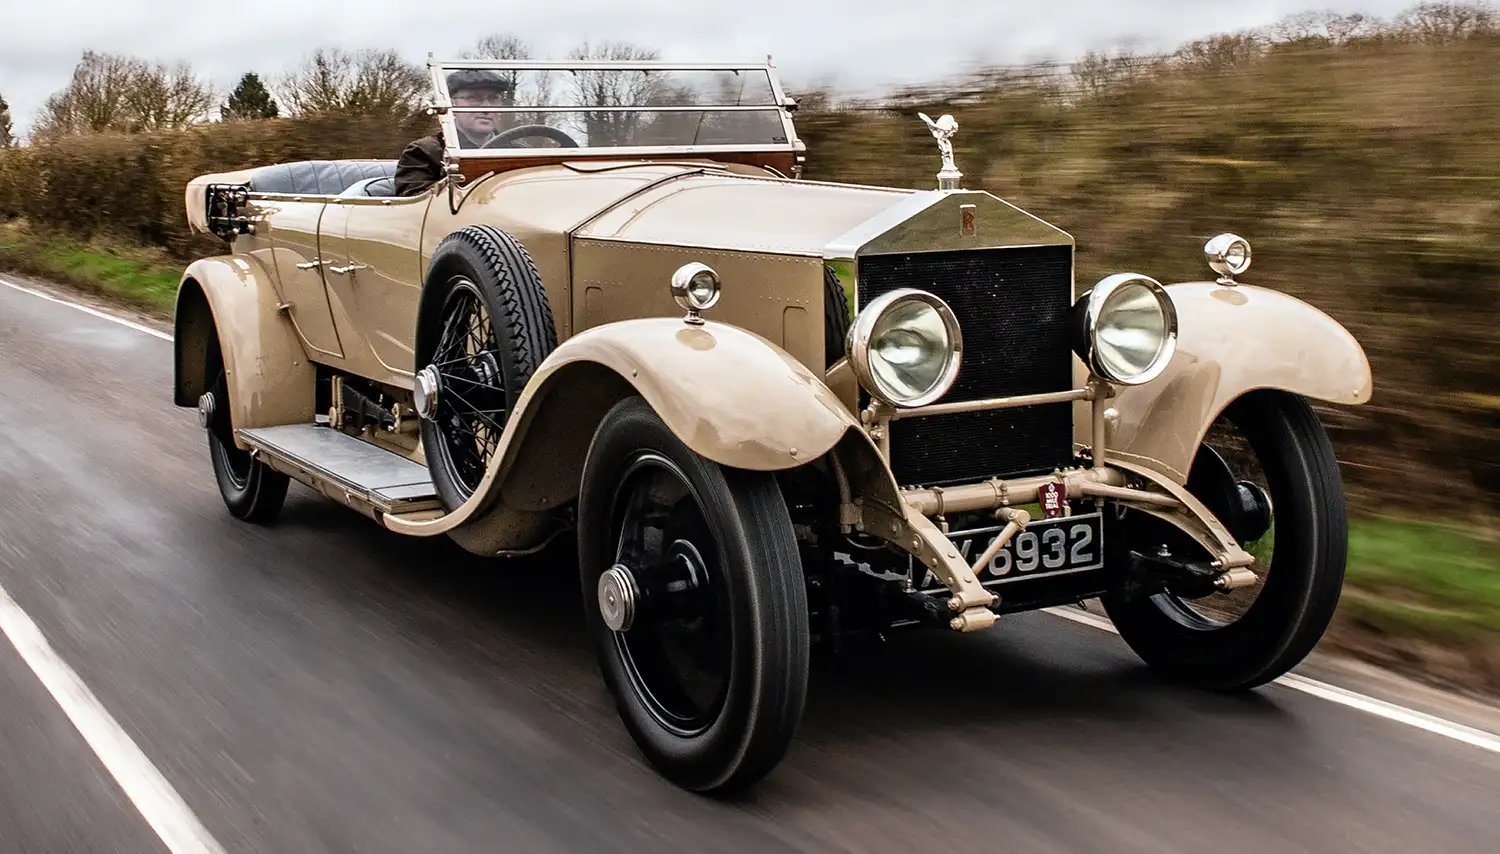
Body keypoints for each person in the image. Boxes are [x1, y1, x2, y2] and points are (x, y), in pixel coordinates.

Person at [394, 70, 516, 197]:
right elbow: (413, 204)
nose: (486, 107)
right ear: (452, 105)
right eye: (474, 98)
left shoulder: (518, 150)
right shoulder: (424, 152)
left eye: (494, 99)